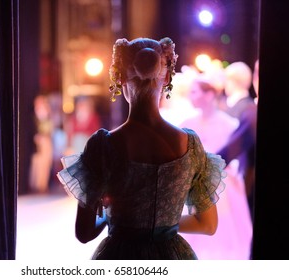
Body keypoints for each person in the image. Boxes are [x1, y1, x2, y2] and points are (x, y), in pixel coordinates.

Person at [57, 37, 226, 260]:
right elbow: (208, 224)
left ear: (119, 77)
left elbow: (84, 232)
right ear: (166, 76)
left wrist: (112, 217)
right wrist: (164, 223)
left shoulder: (103, 147)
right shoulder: (190, 144)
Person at [179, 75, 252, 259]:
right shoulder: (187, 123)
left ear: (210, 94)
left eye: (195, 91)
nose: (191, 96)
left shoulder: (228, 123)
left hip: (220, 182)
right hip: (191, 181)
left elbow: (233, 159)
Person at [217, 61, 257, 224]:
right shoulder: (241, 107)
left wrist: (209, 163)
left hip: (241, 172)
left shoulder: (247, 111)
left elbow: (235, 146)